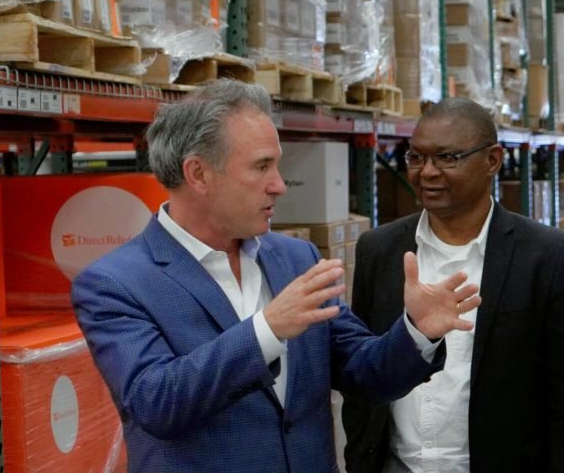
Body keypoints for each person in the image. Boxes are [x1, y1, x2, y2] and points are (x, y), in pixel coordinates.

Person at [71, 80, 481, 473]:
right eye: (262, 166)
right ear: (198, 174)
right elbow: (157, 403)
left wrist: (415, 332)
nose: (280, 185)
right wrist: (265, 330)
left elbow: (363, 372)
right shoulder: (116, 284)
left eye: (277, 165)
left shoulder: (295, 259)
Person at [342, 97, 564, 473]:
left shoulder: (547, 257)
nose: (428, 172)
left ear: (492, 160)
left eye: (447, 158)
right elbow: (361, 372)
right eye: (416, 157)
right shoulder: (379, 250)